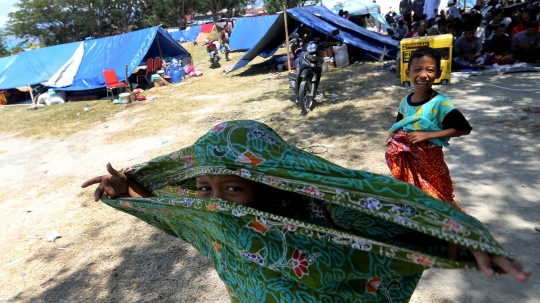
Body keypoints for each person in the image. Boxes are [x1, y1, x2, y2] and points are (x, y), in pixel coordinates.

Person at [83, 120, 530, 302]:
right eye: (204, 187)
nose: (216, 200)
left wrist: (462, 241)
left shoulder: (323, 215)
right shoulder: (210, 218)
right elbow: (175, 215)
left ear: (269, 181)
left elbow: (393, 214)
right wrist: (131, 191)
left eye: (233, 187)